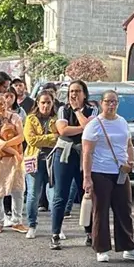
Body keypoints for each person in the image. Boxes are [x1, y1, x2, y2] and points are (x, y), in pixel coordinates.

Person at [81, 89, 134, 263]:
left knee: (124, 209)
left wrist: (131, 161)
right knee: (101, 210)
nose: (111, 105)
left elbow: (128, 144)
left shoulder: (122, 122)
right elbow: (87, 153)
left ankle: (128, 247)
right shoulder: (94, 125)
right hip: (100, 172)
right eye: (107, 102)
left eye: (114, 102)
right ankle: (101, 248)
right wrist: (87, 177)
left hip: (120, 172)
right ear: (101, 103)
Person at [51, 80, 94, 250]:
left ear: (84, 94)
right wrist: (83, 127)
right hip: (65, 153)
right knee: (60, 194)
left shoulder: (93, 109)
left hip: (85, 154)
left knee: (86, 193)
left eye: (77, 91)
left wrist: (77, 112)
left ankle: (90, 233)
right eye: (71, 91)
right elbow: (63, 130)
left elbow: (90, 127)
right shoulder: (63, 109)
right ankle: (55, 233)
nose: (74, 95)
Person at [0, 93, 27, 234]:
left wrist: (7, 145)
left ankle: (17, 221)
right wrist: (14, 151)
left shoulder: (15, 117)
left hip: (14, 160)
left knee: (18, 190)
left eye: (5, 103)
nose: (3, 106)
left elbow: (21, 136)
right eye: (0, 103)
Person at [23, 91, 59, 239]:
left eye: (48, 102)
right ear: (37, 103)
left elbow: (60, 137)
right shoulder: (30, 118)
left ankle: (57, 227)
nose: (45, 105)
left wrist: (44, 139)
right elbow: (31, 140)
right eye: (43, 102)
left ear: (53, 103)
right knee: (33, 193)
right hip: (34, 159)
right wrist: (51, 137)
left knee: (54, 195)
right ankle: (32, 225)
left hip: (53, 159)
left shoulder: (57, 118)